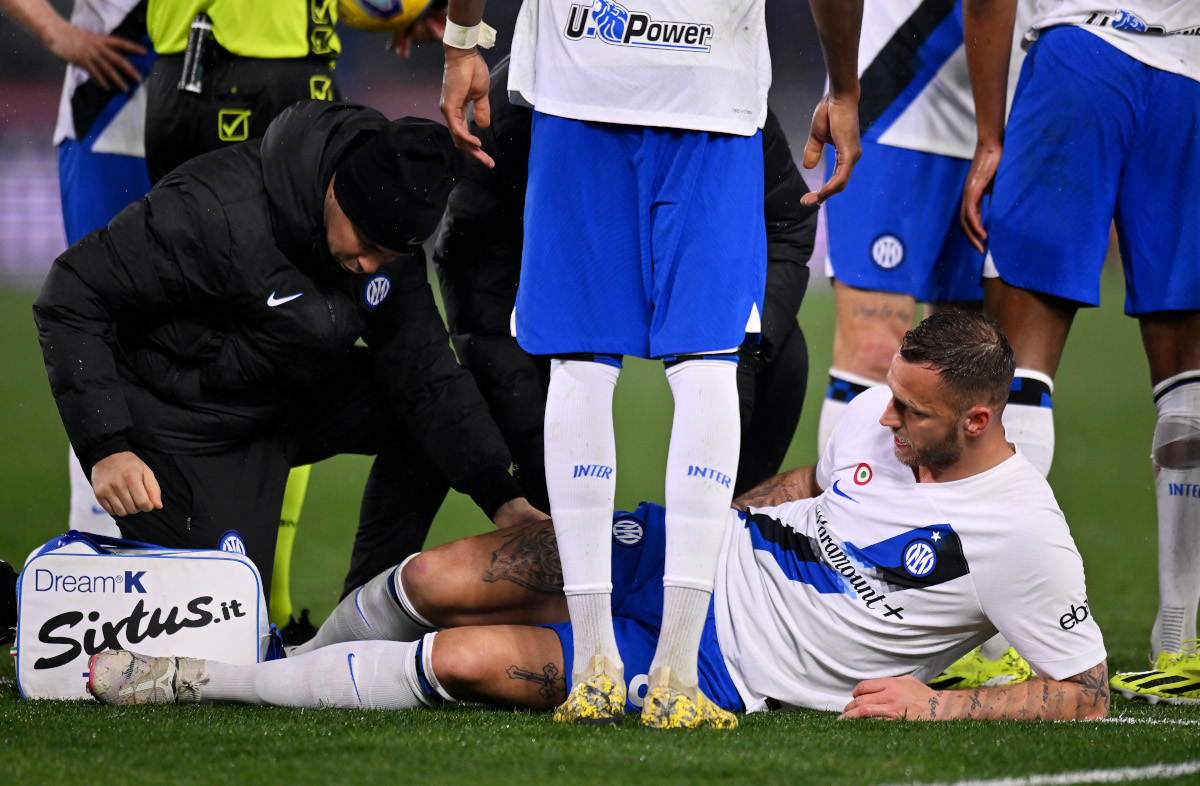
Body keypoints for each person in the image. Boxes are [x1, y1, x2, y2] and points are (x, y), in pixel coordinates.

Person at [87, 311, 1110, 723]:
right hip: (689, 551)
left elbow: (1086, 695)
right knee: (441, 573)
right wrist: (725, 515)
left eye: (911, 411)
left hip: (722, 666)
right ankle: (271, 645)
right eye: (888, 395)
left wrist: (940, 708)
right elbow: (811, 485)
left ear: (979, 420)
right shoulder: (886, 429)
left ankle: (204, 682)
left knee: (465, 660)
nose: (884, 419)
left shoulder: (1022, 532)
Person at [437, 0, 863, 728]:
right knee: (707, 364)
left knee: (579, 365)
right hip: (710, 83)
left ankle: (596, 665)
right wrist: (844, 85)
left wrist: (462, 40)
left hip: (581, 70)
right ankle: (673, 673)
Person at [33, 100, 542, 603]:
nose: (369, 265)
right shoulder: (214, 211)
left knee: (425, 414)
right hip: (179, 424)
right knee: (221, 636)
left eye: (388, 256)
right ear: (340, 190)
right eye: (365, 243)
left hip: (281, 398)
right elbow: (72, 291)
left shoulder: (387, 247)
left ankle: (367, 617)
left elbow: (426, 375)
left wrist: (504, 499)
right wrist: (108, 447)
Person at [433, 56, 819, 512]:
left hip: (681, 243)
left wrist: (742, 356)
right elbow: (480, 287)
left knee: (780, 351)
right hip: (568, 260)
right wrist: (529, 473)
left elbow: (786, 224)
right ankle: (555, 540)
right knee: (459, 389)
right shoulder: (514, 109)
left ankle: (732, 533)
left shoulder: (726, 95)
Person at [958, 0, 1200, 702]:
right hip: (1190, 72)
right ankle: (1183, 643)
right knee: (1187, 372)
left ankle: (1008, 646)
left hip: (1082, 57)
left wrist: (988, 137)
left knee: (1018, 368)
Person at [816, 0, 1035, 688]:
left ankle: (968, 609)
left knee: (979, 360)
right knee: (876, 347)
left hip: (1001, 105)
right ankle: (843, 581)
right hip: (891, 91)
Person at [1, 0, 157, 537]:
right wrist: (54, 31)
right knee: (106, 330)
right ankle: (93, 552)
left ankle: (195, 569)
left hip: (208, 114)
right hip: (112, 113)